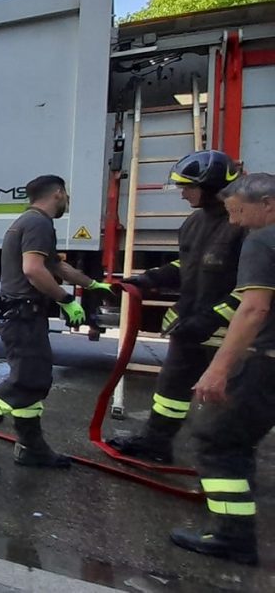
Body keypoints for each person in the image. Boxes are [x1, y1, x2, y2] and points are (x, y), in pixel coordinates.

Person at [0, 175, 114, 476]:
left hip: (22, 314)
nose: (67, 200)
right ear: (58, 194)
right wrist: (65, 299)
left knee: (35, 379)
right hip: (22, 314)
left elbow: (54, 265)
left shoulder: (32, 222)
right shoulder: (38, 223)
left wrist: (92, 284)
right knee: (26, 380)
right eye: (67, 195)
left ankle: (31, 447)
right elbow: (33, 270)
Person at [108, 151, 245, 463]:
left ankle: (229, 461)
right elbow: (188, 264)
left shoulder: (242, 225)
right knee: (170, 390)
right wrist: (149, 278)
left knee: (231, 400)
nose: (183, 194)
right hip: (190, 325)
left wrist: (213, 318)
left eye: (188, 187)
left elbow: (253, 288)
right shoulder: (195, 222)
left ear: (210, 186)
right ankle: (156, 443)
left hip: (229, 335)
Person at [169, 173, 275, 566]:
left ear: (266, 204)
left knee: (216, 441)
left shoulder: (263, 241)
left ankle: (233, 536)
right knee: (240, 437)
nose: (234, 222)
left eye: (238, 212)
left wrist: (218, 369)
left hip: (268, 361)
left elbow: (253, 309)